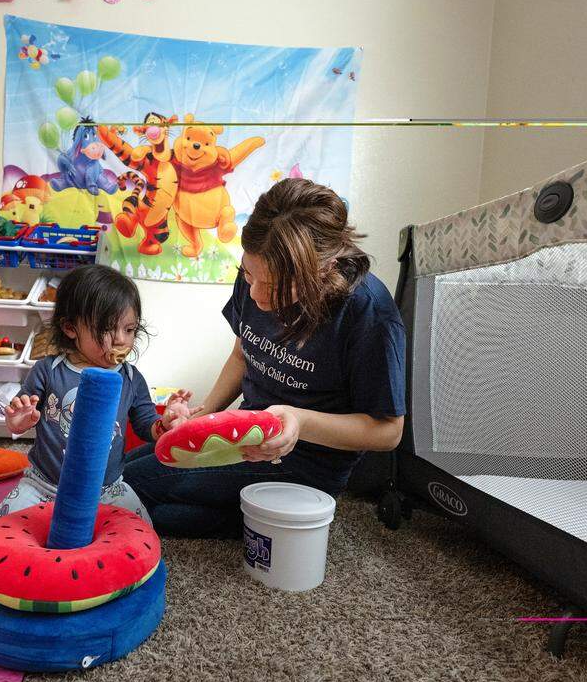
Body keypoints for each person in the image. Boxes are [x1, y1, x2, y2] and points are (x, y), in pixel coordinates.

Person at [125, 178, 407, 537]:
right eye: (248, 273)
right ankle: (257, 519)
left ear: (325, 268)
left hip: (304, 464)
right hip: (246, 433)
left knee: (135, 489)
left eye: (273, 287)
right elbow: (243, 353)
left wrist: (297, 420)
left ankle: (284, 520)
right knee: (128, 470)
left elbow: (388, 432)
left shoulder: (368, 311)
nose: (255, 293)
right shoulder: (256, 273)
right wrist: (203, 415)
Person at [0, 265, 199, 524]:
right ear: (70, 328)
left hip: (108, 490)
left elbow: (145, 426)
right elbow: (19, 416)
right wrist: (17, 421)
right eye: (108, 329)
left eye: (129, 329)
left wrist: (165, 423)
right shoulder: (47, 370)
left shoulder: (131, 377)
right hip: (44, 486)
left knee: (143, 532)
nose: (121, 340)